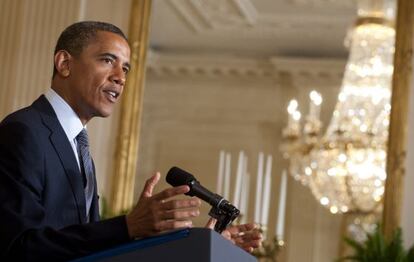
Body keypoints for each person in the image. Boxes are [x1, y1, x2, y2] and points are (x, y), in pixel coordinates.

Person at [0, 21, 261, 261]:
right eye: (107, 60)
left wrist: (202, 245)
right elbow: (18, 247)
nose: (120, 77)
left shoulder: (80, 149)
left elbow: (88, 251)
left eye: (125, 68)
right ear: (64, 63)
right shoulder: (23, 132)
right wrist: (127, 226)